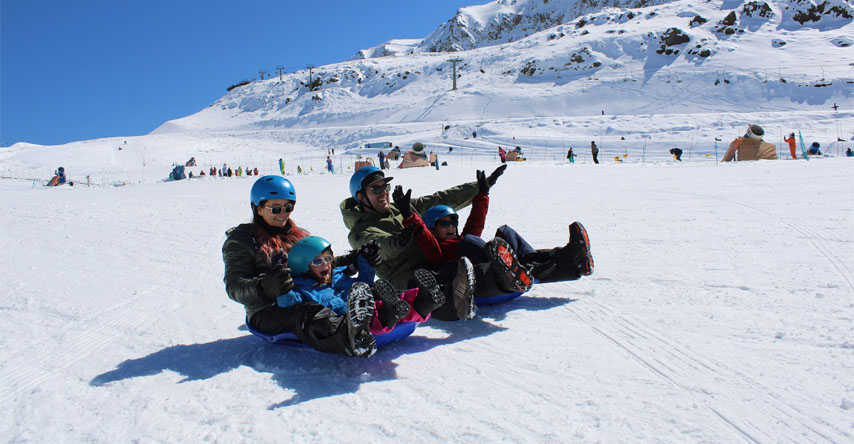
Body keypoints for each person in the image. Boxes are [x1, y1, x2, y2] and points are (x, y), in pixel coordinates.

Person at [223, 176, 376, 357]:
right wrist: (264, 287)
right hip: (268, 310)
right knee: (308, 312)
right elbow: (234, 286)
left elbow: (318, 263)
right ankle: (351, 338)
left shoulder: (299, 235)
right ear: (258, 208)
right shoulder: (242, 241)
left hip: (309, 293)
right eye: (276, 208)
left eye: (288, 207)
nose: (283, 214)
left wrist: (354, 259)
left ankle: (391, 312)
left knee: (352, 291)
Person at [412, 167, 593, 298]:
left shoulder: (460, 239)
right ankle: (511, 268)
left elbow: (476, 222)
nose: (451, 227)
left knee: (504, 232)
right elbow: (424, 238)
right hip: (485, 274)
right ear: (431, 229)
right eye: (444, 223)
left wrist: (483, 193)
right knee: (470, 241)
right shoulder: (437, 250)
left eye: (453, 222)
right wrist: (409, 216)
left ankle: (571, 256)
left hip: (498, 264)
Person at [341, 166, 480, 321]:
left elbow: (438, 200)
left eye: (385, 187)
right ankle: (452, 305)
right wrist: (396, 242)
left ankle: (502, 275)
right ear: (361, 197)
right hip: (406, 276)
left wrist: (480, 187)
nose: (384, 192)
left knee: (465, 261)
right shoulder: (358, 231)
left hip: (433, 260)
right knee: (432, 285)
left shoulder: (399, 208)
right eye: (375, 189)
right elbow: (376, 244)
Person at [277, 236, 443, 336]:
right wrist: (280, 284)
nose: (326, 265)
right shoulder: (303, 289)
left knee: (387, 295)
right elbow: (287, 303)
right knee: (373, 313)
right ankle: (389, 315)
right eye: (317, 262)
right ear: (302, 267)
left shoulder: (337, 275)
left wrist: (365, 259)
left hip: (367, 299)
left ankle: (422, 301)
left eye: (327, 259)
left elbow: (364, 284)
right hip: (352, 317)